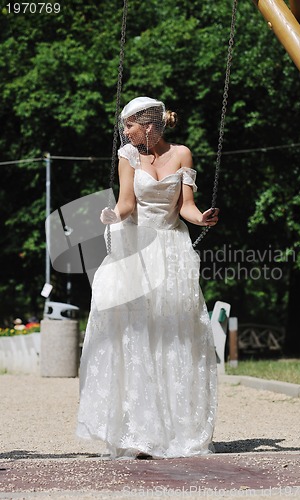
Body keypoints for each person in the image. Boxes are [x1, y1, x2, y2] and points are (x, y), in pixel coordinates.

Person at [76, 96, 219, 459]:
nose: (125, 131)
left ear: (149, 124)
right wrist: (111, 214)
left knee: (173, 337)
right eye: (126, 126)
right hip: (137, 250)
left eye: (130, 125)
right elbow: (127, 202)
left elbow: (185, 206)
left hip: (172, 253)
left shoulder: (182, 154)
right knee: (137, 336)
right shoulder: (128, 155)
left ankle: (177, 430)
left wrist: (202, 218)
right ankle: (139, 431)